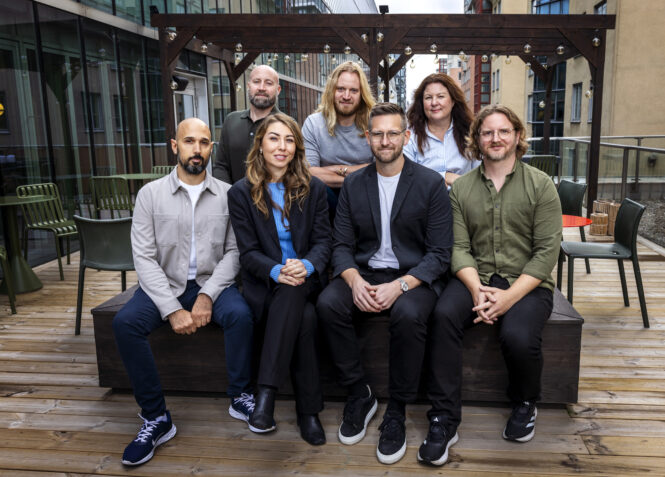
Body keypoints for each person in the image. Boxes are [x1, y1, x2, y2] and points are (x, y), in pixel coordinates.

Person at [420, 104, 562, 466]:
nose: (495, 138)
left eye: (503, 131)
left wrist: (509, 298)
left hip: (526, 282)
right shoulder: (461, 188)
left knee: (517, 335)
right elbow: (458, 247)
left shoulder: (541, 185)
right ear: (477, 139)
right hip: (475, 277)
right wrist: (475, 289)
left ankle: (525, 401)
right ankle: (443, 418)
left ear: (517, 136)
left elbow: (547, 252)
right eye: (487, 132)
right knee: (442, 316)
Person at [113, 118, 255, 466]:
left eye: (204, 143)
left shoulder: (228, 194)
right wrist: (172, 309)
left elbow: (235, 252)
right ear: (175, 146)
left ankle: (240, 395)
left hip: (212, 283)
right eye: (189, 141)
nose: (197, 149)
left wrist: (207, 295)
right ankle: (156, 417)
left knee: (240, 315)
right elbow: (144, 258)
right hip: (163, 284)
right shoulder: (150, 195)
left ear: (211, 149)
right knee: (124, 323)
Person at [317, 103, 453, 465]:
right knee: (327, 304)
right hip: (366, 272)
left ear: (406, 137)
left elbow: (440, 254)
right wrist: (353, 280)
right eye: (377, 134)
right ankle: (359, 393)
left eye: (393, 133)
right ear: (368, 138)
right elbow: (340, 245)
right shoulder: (354, 183)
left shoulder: (430, 183)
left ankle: (397, 410)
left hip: (414, 277)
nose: (385, 140)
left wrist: (401, 285)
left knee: (407, 315)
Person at [228, 113, 331, 446]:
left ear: (297, 147)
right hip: (266, 285)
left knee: (295, 292)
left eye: (289, 140)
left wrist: (307, 265)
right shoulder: (241, 193)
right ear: (260, 145)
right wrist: (277, 271)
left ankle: (266, 394)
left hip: (306, 279)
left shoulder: (314, 189)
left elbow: (323, 242)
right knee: (305, 316)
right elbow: (248, 253)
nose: (282, 146)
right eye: (274, 138)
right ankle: (308, 412)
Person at [302, 62, 375, 216]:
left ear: (362, 94)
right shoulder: (313, 123)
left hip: (366, 195)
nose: (346, 96)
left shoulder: (374, 123)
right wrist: (359, 173)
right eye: (340, 89)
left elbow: (380, 169)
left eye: (353, 90)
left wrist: (334, 169)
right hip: (326, 197)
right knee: (312, 188)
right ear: (331, 90)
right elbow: (308, 173)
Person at [404, 73, 479, 187]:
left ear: (453, 101)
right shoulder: (410, 136)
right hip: (424, 197)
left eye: (440, 96)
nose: (434, 103)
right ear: (422, 103)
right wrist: (446, 176)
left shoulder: (470, 132)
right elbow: (406, 175)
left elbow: (479, 175)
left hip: (464, 196)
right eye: (428, 97)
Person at [213, 64, 281, 184]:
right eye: (256, 82)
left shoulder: (286, 125)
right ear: (248, 86)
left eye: (268, 83)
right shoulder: (231, 121)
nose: (261, 88)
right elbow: (220, 166)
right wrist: (229, 192)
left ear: (278, 90)